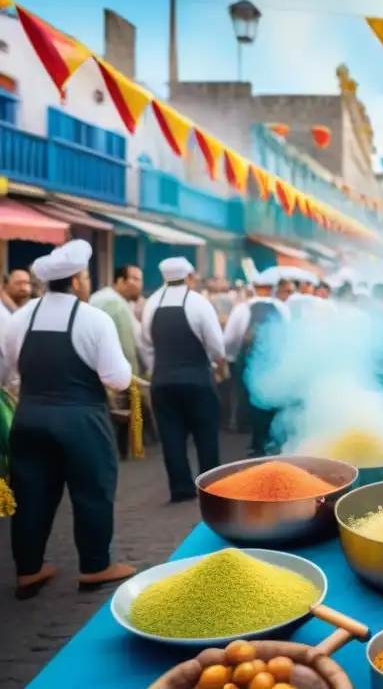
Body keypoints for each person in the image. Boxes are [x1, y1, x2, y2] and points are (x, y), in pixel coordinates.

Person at [1, 240, 136, 598]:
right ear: (77, 281)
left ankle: (28, 569)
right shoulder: (94, 319)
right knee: (92, 491)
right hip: (81, 419)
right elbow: (118, 379)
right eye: (86, 276)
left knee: (30, 494)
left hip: (29, 416)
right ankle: (95, 565)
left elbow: (13, 369)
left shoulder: (19, 318)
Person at [142, 258, 227, 503]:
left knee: (171, 437)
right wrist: (219, 370)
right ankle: (211, 487)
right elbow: (217, 346)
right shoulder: (199, 303)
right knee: (206, 434)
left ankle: (180, 488)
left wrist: (154, 370)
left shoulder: (151, 304)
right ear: (189, 276)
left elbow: (146, 343)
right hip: (197, 379)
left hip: (163, 381)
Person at [224, 268, 290, 456]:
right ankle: (270, 440)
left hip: (249, 362)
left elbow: (230, 339)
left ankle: (256, 441)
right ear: (272, 289)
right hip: (274, 362)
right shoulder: (282, 308)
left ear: (253, 288)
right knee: (271, 400)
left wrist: (232, 358)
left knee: (251, 401)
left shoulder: (243, 308)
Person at [90, 265, 145, 377]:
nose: (140, 285)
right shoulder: (115, 305)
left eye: (140, 280)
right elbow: (132, 347)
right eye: (135, 279)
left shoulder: (102, 297)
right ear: (121, 281)